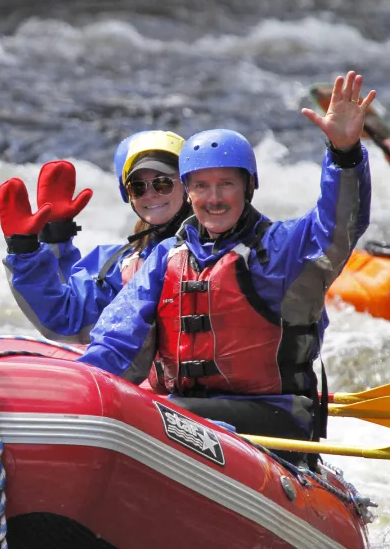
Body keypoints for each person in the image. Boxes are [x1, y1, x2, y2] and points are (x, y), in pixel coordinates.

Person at [78, 71, 374, 447]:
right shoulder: (168, 257)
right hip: (182, 414)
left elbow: (340, 225)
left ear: (249, 186)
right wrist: (79, 387)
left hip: (275, 416)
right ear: (188, 192)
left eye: (226, 184)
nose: (214, 198)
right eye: (202, 186)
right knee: (144, 409)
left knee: (160, 415)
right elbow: (117, 340)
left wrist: (344, 154)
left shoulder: (281, 249)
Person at [0, 131, 192, 347]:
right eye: (138, 187)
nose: (151, 194)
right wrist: (29, 247)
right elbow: (67, 319)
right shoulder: (121, 264)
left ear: (188, 185)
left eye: (163, 183)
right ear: (127, 193)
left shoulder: (214, 247)